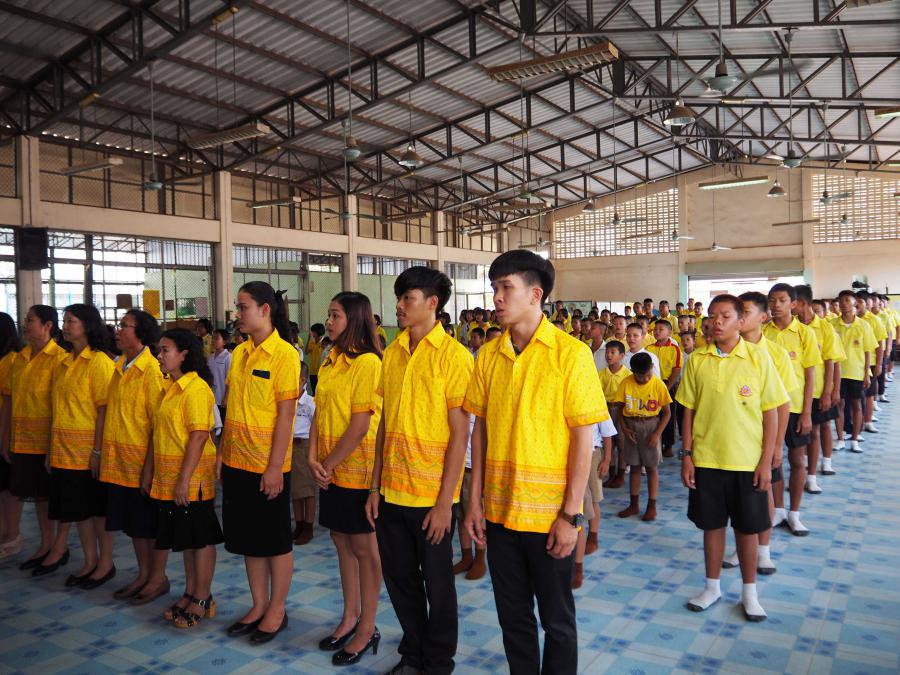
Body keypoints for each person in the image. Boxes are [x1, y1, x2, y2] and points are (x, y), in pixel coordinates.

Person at [463, 250, 608, 674]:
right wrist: (474, 501)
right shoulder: (489, 356)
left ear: (535, 294)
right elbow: (480, 429)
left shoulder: (570, 354)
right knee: (513, 618)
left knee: (557, 620)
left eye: (506, 288)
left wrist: (571, 515)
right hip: (500, 512)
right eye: (495, 288)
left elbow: (583, 437)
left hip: (549, 516)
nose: (497, 297)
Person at [366, 267, 473, 675]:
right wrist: (374, 486)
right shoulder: (392, 353)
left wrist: (446, 503)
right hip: (391, 492)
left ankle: (438, 662)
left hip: (432, 499)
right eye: (399, 298)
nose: (399, 305)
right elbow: (384, 423)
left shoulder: (454, 357)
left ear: (432, 303)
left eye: (407, 298)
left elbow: (459, 434)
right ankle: (413, 654)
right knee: (401, 581)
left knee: (438, 586)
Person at [677, 294, 787, 622]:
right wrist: (687, 455)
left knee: (747, 529)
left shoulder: (758, 357)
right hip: (707, 460)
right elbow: (688, 411)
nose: (717, 322)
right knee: (711, 526)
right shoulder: (697, 359)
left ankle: (749, 593)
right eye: (713, 316)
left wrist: (766, 461)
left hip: (746, 461)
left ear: (741, 322)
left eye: (725, 316)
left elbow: (771, 412)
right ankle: (712, 587)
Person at [221, 281, 300, 644]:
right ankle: (258, 604)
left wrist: (274, 468)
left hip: (267, 466)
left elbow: (286, 416)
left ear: (265, 310)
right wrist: (222, 456)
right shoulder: (239, 353)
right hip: (236, 461)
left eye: (243, 307)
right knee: (248, 540)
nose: (238, 314)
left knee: (274, 541)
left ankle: (277, 609)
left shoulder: (284, 355)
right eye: (238, 308)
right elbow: (233, 408)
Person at [310, 292, 383, 666]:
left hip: (357, 470)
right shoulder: (330, 359)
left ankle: (368, 626)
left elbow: (360, 426)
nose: (329, 321)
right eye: (329, 314)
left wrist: (328, 463)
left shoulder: (368, 363)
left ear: (354, 319)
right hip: (331, 470)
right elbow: (319, 411)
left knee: (364, 548)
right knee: (340, 541)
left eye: (336, 315)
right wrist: (312, 457)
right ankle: (350, 616)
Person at [148, 329, 223, 628]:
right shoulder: (170, 387)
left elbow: (198, 436)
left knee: (200, 539)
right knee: (188, 540)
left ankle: (203, 597)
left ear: (184, 354)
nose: (159, 355)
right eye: (159, 350)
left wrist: (183, 480)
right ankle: (191, 592)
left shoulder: (196, 389)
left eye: (165, 350)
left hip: (193, 481)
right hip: (172, 478)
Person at [720, 292, 798, 576]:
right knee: (737, 498)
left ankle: (763, 550)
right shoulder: (724, 350)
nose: (739, 317)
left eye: (746, 312)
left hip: (763, 438)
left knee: (763, 490)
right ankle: (743, 546)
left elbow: (782, 404)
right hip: (734, 437)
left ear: (763, 317)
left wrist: (775, 446)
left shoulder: (775, 354)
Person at [41, 304, 116, 586]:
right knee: (79, 511)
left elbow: (103, 411)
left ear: (87, 325)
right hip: (64, 451)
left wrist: (97, 451)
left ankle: (105, 563)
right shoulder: (64, 362)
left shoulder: (99, 362)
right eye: (64, 321)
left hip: (87, 453)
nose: (65, 326)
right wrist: (51, 449)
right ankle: (89, 560)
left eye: (71, 321)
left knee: (97, 510)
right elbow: (57, 409)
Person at [100, 309, 169, 604]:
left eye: (125, 326)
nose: (118, 330)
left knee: (149, 525)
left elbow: (157, 425)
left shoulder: (151, 371)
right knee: (134, 526)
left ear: (140, 333)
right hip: (119, 463)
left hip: (142, 464)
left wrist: (149, 468)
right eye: (119, 325)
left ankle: (157, 578)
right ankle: (143, 574)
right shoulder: (120, 366)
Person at [2, 306, 68, 571]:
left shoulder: (60, 359)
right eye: (25, 320)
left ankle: (58, 547)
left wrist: (55, 443)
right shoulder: (19, 358)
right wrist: (5, 436)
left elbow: (60, 406)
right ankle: (46, 543)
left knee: (53, 496)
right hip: (23, 441)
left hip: (49, 441)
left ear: (48, 326)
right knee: (39, 496)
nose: (25, 325)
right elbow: (9, 400)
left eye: (31, 320)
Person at [764, 283, 821, 536]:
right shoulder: (763, 332)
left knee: (797, 460)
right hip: (768, 408)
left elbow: (810, 376)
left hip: (796, 406)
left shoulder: (805, 333)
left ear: (793, 303)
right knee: (772, 461)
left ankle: (795, 513)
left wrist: (807, 412)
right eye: (772, 300)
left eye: (782, 300)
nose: (776, 305)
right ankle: (778, 510)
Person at [794, 285, 844, 490]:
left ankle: (813, 475)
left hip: (818, 389)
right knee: (802, 435)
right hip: (796, 391)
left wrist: (829, 391)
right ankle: (802, 470)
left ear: (801, 303)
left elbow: (832, 362)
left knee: (817, 430)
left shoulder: (825, 328)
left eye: (791, 302)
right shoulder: (792, 327)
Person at [613, 353, 672, 522]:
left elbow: (667, 413)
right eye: (640, 376)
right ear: (633, 372)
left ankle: (651, 506)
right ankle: (634, 504)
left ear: (652, 368)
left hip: (651, 426)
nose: (645, 379)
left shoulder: (658, 384)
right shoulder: (626, 383)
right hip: (631, 427)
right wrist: (624, 429)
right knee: (635, 467)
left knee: (651, 468)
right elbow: (619, 408)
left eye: (647, 374)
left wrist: (657, 434)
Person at [573, 417, 615, 588]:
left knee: (594, 499)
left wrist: (607, 459)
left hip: (593, 454)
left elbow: (607, 433)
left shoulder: (597, 405)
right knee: (580, 503)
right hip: (572, 455)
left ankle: (593, 536)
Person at [832, 290, 876, 453]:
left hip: (857, 372)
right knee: (839, 405)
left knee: (857, 405)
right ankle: (840, 438)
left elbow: (868, 351)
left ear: (854, 303)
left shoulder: (864, 325)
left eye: (847, 300)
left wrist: (867, 374)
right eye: (841, 300)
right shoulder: (832, 325)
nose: (844, 304)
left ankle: (855, 439)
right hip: (838, 373)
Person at [0, 313, 23, 558]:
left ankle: (12, 533)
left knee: (9, 487)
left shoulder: (13, 360)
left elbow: (9, 401)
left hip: (7, 428)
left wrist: (4, 435)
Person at [647, 320, 682, 458]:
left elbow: (676, 370)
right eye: (655, 329)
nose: (657, 331)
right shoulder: (649, 348)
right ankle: (654, 441)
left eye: (661, 329)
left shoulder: (674, 349)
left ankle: (668, 445)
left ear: (669, 332)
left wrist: (667, 388)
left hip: (668, 384)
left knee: (669, 414)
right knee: (652, 413)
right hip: (652, 383)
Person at [291, 362, 316, 546]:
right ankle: (298, 524)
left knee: (308, 490)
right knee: (294, 489)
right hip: (289, 447)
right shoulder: (287, 400)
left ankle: (308, 526)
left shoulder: (310, 403)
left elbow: (316, 428)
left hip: (305, 446)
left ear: (302, 380)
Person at [600, 340, 631, 490]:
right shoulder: (602, 374)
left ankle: (620, 475)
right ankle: (611, 474)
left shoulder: (627, 375)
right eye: (607, 352)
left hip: (621, 410)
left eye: (613, 352)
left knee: (622, 442)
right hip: (606, 409)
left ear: (621, 356)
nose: (609, 355)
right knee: (608, 443)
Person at [856, 291, 886, 434]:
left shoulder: (874, 320)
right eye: (856, 301)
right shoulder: (849, 319)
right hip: (855, 363)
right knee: (855, 397)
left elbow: (880, 344)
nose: (857, 304)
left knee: (869, 394)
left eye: (861, 302)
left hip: (871, 362)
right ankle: (855, 424)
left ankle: (867, 421)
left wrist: (879, 364)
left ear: (867, 304)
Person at [207, 328, 231, 424]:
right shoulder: (211, 357)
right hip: (212, 396)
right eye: (212, 338)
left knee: (222, 423)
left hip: (222, 397)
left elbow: (230, 379)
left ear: (224, 341)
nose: (213, 341)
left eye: (216, 338)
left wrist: (226, 397)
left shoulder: (228, 357)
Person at [307, 323, 326, 394]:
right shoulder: (312, 342)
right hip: (312, 371)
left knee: (320, 393)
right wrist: (309, 339)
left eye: (313, 332)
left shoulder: (324, 343)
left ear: (317, 332)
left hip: (321, 372)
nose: (312, 333)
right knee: (314, 393)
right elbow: (306, 351)